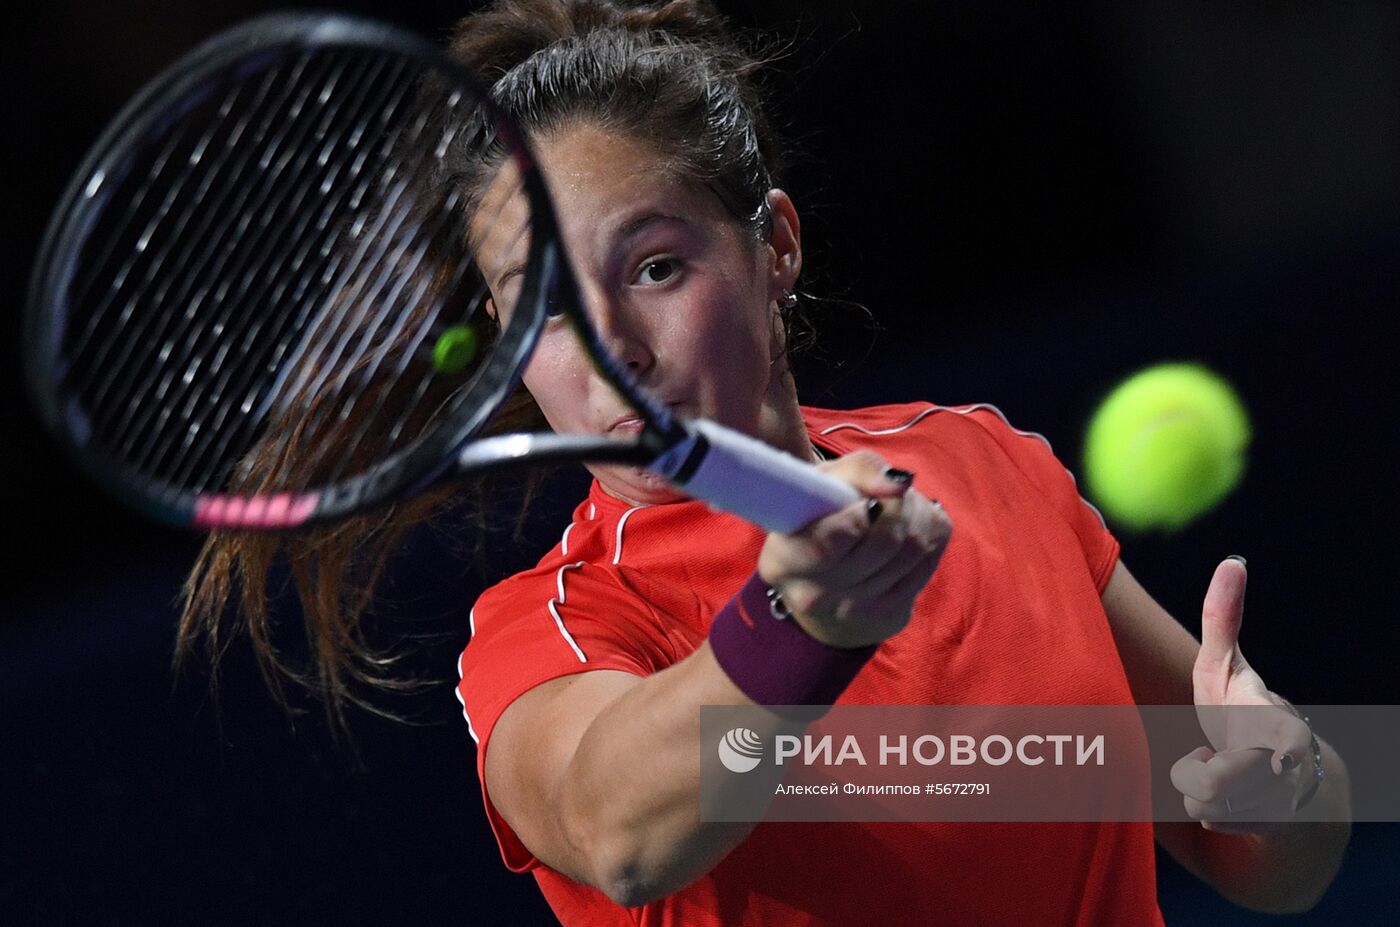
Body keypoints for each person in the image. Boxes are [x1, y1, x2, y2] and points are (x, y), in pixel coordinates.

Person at [180, 1, 1351, 923]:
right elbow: (620, 835)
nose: (609, 356)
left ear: (772, 247)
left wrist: (1294, 786)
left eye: (650, 267)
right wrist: (794, 625)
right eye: (538, 306)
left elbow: (1253, 855)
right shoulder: (555, 629)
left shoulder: (985, 465)